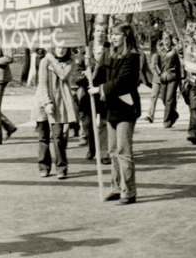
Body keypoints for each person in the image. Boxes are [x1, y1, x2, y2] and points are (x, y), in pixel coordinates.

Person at [90, 23, 142, 205]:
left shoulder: (133, 57)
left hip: (126, 108)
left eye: (116, 34)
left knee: (123, 150)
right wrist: (86, 75)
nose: (112, 37)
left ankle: (129, 191)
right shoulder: (109, 55)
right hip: (111, 107)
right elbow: (101, 75)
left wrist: (99, 89)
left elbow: (123, 81)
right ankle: (117, 187)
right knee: (112, 151)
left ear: (125, 37)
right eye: (111, 34)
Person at [35, 47, 79, 179]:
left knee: (58, 136)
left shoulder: (70, 62)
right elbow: (42, 83)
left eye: (64, 47)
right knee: (43, 137)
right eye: (58, 47)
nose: (61, 50)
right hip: (43, 101)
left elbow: (63, 75)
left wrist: (52, 59)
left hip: (59, 102)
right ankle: (44, 166)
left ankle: (61, 167)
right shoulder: (44, 61)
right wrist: (46, 102)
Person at [84, 18, 111, 164]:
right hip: (88, 90)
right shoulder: (86, 48)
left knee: (103, 121)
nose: (100, 34)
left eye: (103, 31)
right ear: (93, 33)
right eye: (98, 31)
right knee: (88, 122)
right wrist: (83, 69)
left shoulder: (110, 48)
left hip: (102, 89)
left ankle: (104, 153)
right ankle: (92, 147)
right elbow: (78, 66)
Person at [157, 31, 181, 129]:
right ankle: (174, 114)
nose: (165, 40)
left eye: (167, 38)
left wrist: (181, 79)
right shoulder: (160, 51)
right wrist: (159, 73)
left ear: (171, 40)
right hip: (163, 77)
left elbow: (180, 65)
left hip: (173, 76)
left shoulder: (175, 51)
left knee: (169, 99)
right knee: (163, 98)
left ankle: (166, 120)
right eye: (164, 38)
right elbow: (156, 64)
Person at [145, 40, 165, 123]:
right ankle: (150, 115)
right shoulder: (154, 56)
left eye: (161, 46)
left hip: (165, 80)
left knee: (165, 99)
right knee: (153, 97)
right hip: (156, 80)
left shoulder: (167, 55)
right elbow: (153, 67)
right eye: (159, 46)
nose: (160, 48)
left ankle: (171, 114)